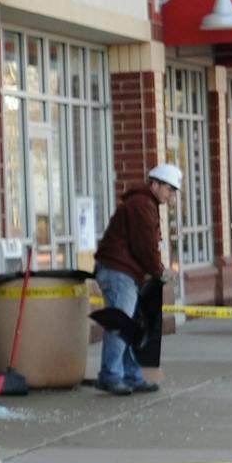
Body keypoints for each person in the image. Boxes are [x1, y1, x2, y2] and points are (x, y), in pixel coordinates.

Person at [91, 161, 180, 396]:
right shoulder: (141, 205)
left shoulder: (144, 203)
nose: (171, 196)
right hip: (119, 271)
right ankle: (110, 375)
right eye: (169, 189)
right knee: (121, 324)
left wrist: (156, 269)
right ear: (155, 184)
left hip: (122, 271)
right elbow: (145, 246)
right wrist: (159, 271)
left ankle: (131, 375)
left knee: (129, 326)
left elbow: (146, 245)